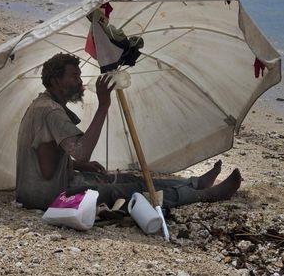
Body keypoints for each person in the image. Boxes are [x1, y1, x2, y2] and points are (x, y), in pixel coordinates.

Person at [15, 52, 242, 211]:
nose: (80, 82)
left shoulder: (43, 105)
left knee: (123, 178)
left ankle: (194, 184)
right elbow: (81, 151)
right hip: (50, 197)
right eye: (74, 76)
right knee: (126, 190)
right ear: (56, 80)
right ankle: (202, 195)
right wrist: (104, 105)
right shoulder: (51, 111)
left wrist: (77, 166)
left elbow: (46, 163)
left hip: (37, 191)